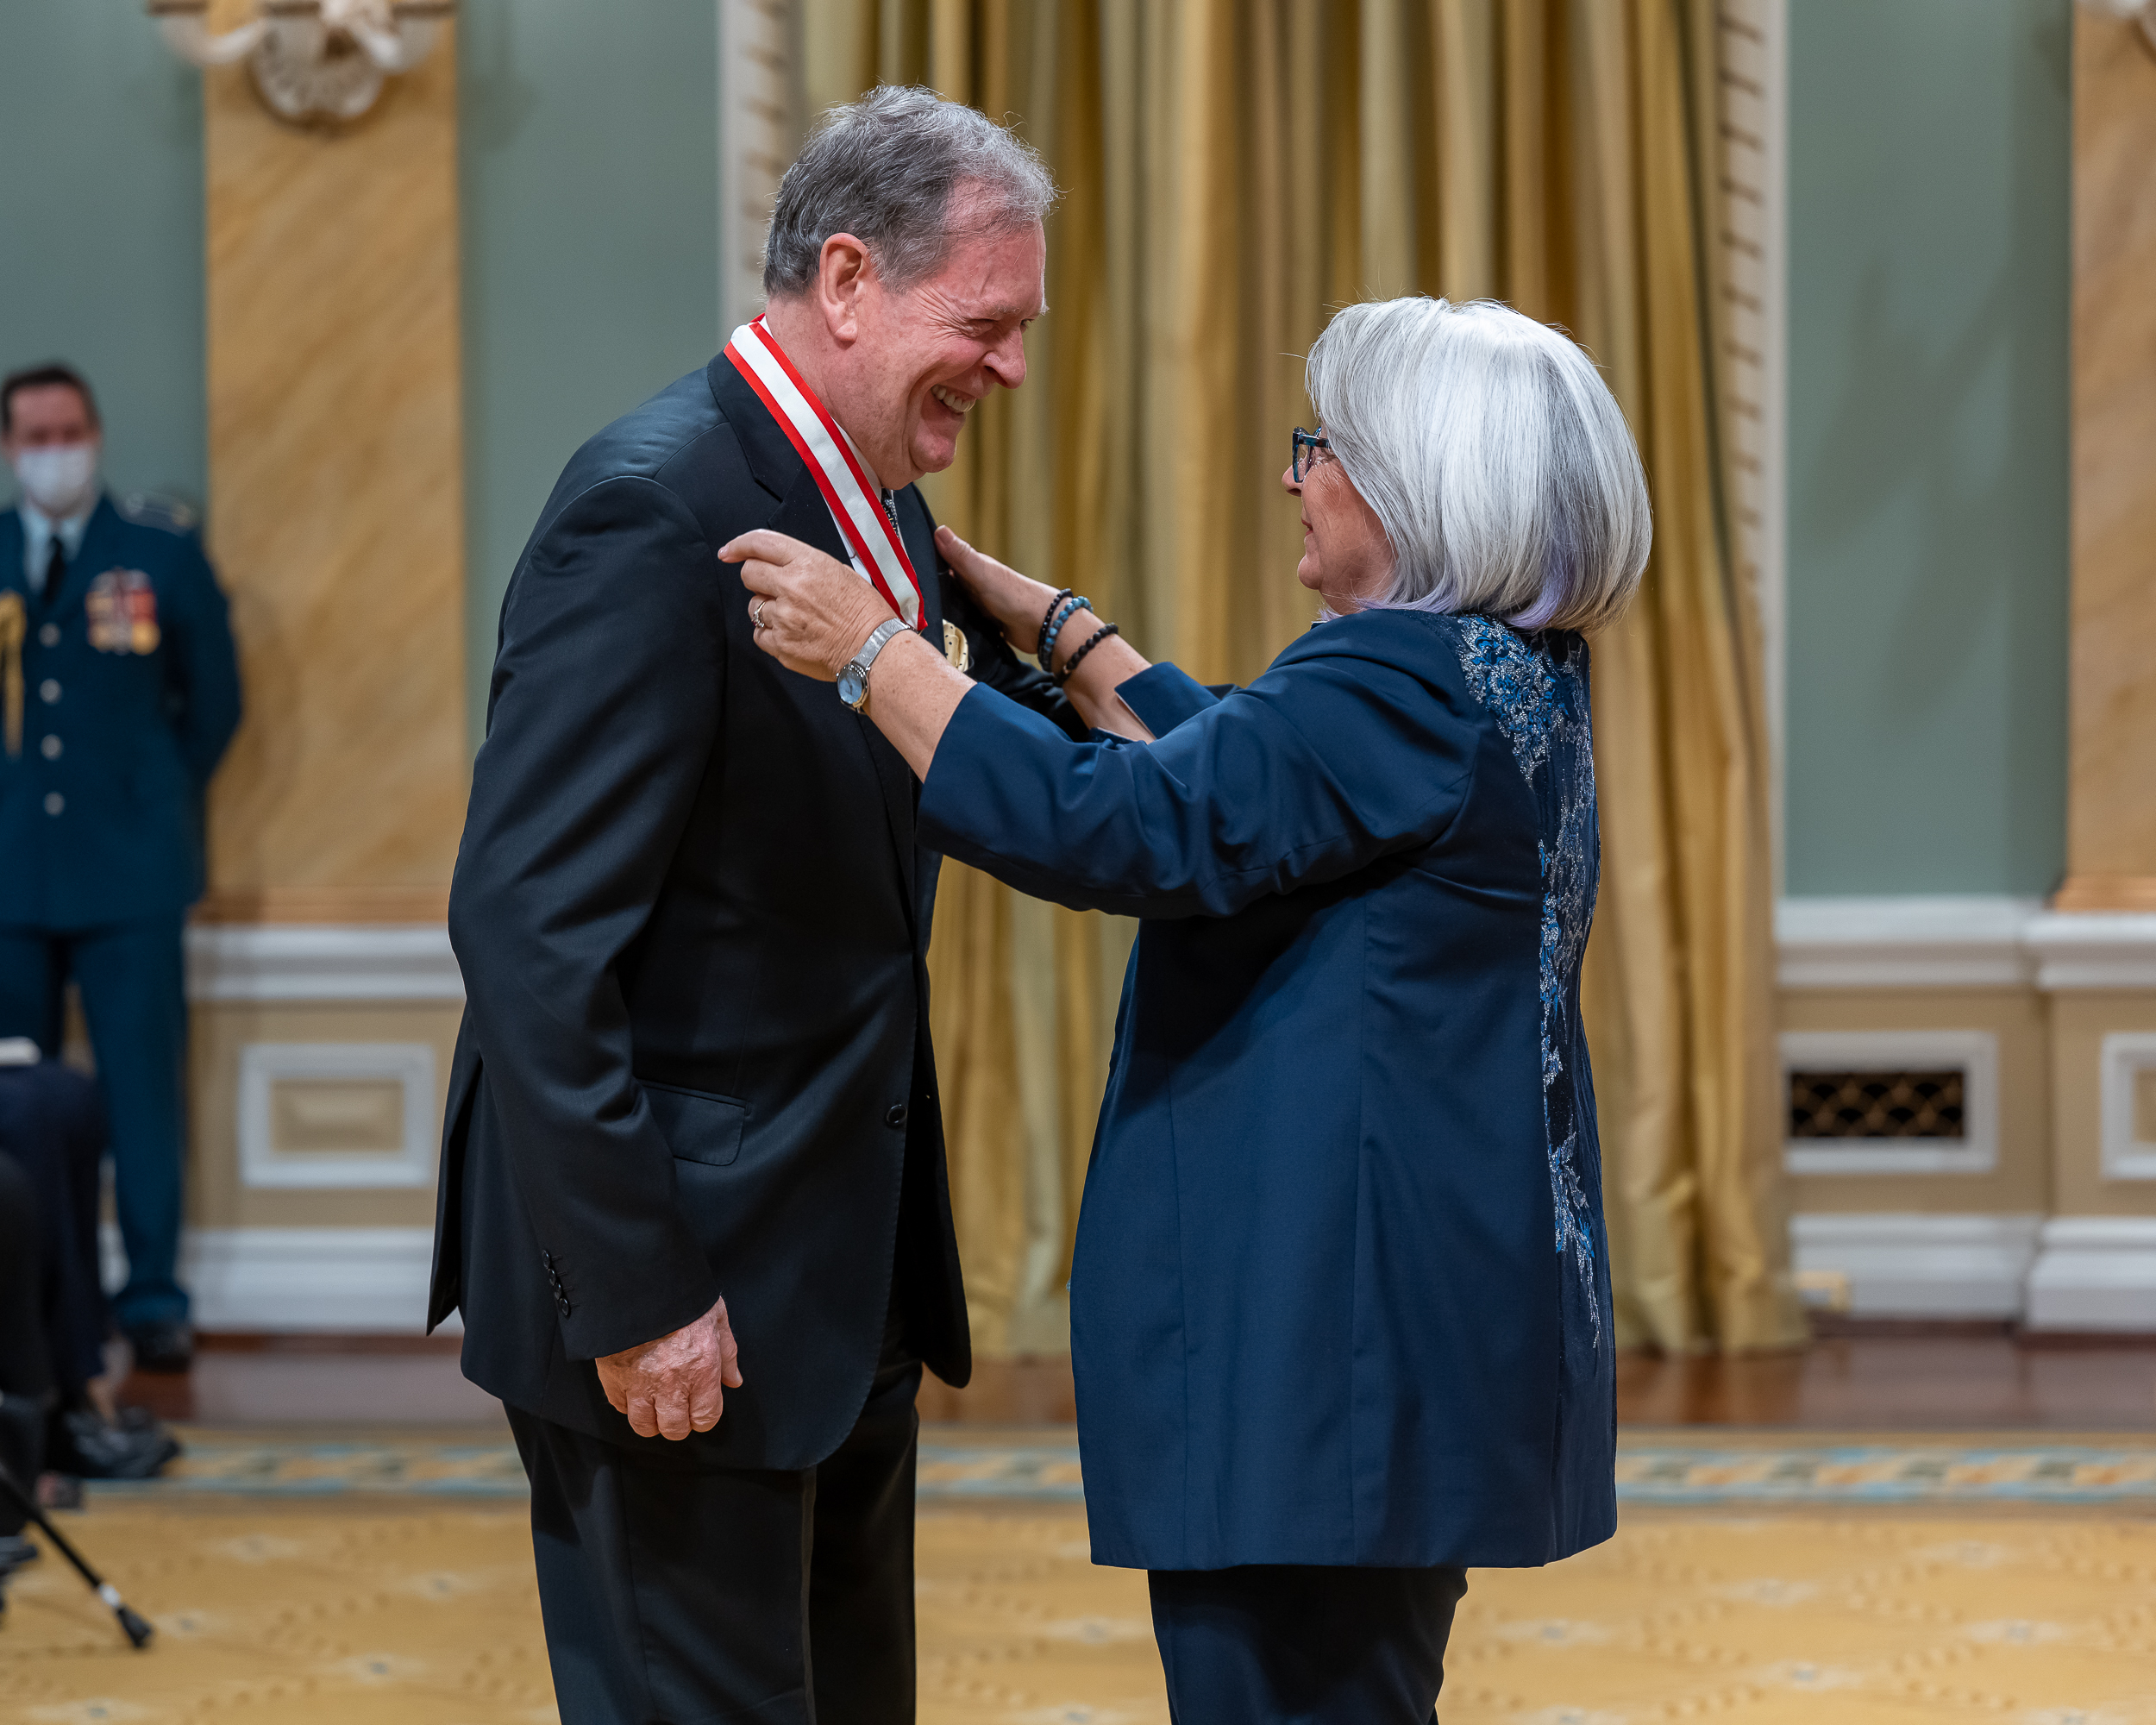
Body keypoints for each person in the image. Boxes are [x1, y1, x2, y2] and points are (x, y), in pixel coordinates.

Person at [729, 295, 1652, 1722]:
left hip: (1322, 1339)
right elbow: (1248, 778)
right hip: (1405, 1319)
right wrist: (1057, 626)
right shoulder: (1485, 670)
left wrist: (874, 655)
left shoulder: (1392, 684)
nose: (1298, 474)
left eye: (1322, 448)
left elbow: (1137, 832)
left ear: (1415, 488)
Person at [429, 88, 1079, 1723]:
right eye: (985, 325)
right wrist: (638, 1295)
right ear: (848, 278)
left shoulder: (872, 499)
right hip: (679, 1295)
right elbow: (527, 927)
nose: (1011, 367)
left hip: (830, 1269)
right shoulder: (653, 504)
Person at [0, 363, 242, 1375]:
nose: (54, 449)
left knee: (142, 1098)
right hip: (11, 876)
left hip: (132, 875)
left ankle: (151, 1299)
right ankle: (29, 1309)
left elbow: (215, 702)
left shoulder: (158, 551)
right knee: (15, 1102)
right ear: (10, 448)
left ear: (93, 433)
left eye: (68, 430)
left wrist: (152, 799)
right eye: (33, 434)